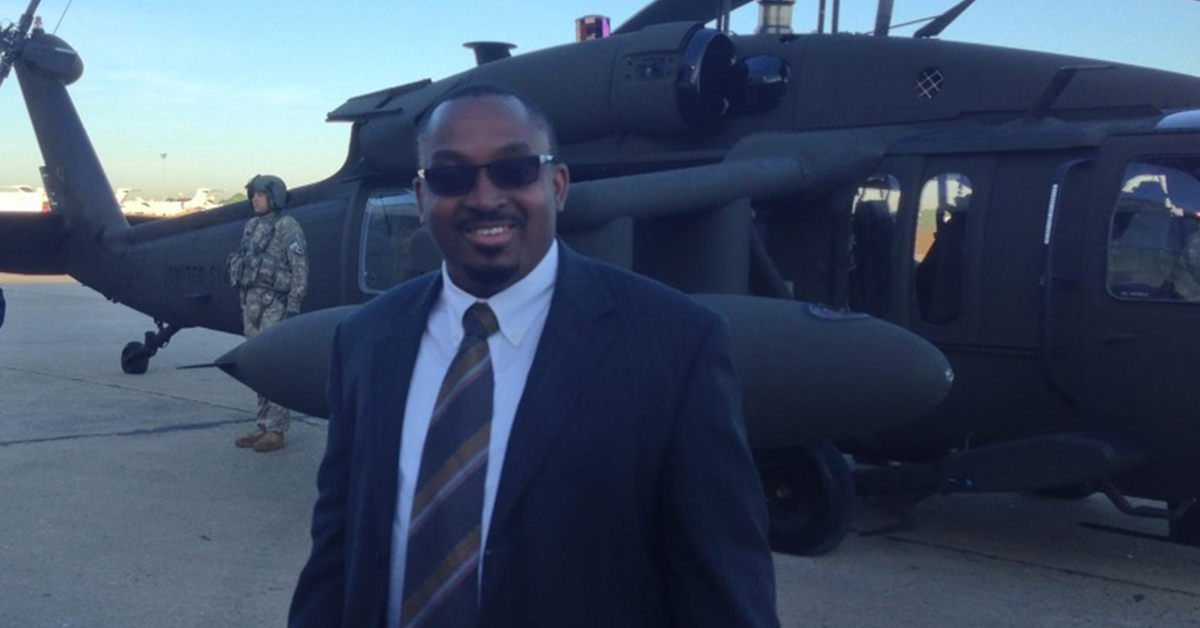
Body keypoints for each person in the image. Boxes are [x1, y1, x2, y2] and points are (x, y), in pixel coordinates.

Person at [288, 84, 779, 628]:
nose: (484, 197)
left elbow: (724, 590)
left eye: (515, 170)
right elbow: (335, 556)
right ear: (422, 198)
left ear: (558, 185)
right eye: (452, 177)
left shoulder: (677, 345)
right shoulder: (365, 340)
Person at [228, 174, 308, 452]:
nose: (254, 199)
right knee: (256, 365)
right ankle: (262, 423)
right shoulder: (252, 226)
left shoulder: (288, 227)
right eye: (253, 194)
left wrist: (294, 306)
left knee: (275, 366)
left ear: (274, 196)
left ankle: (277, 429)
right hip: (251, 304)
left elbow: (299, 268)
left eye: (260, 194)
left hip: (275, 304)